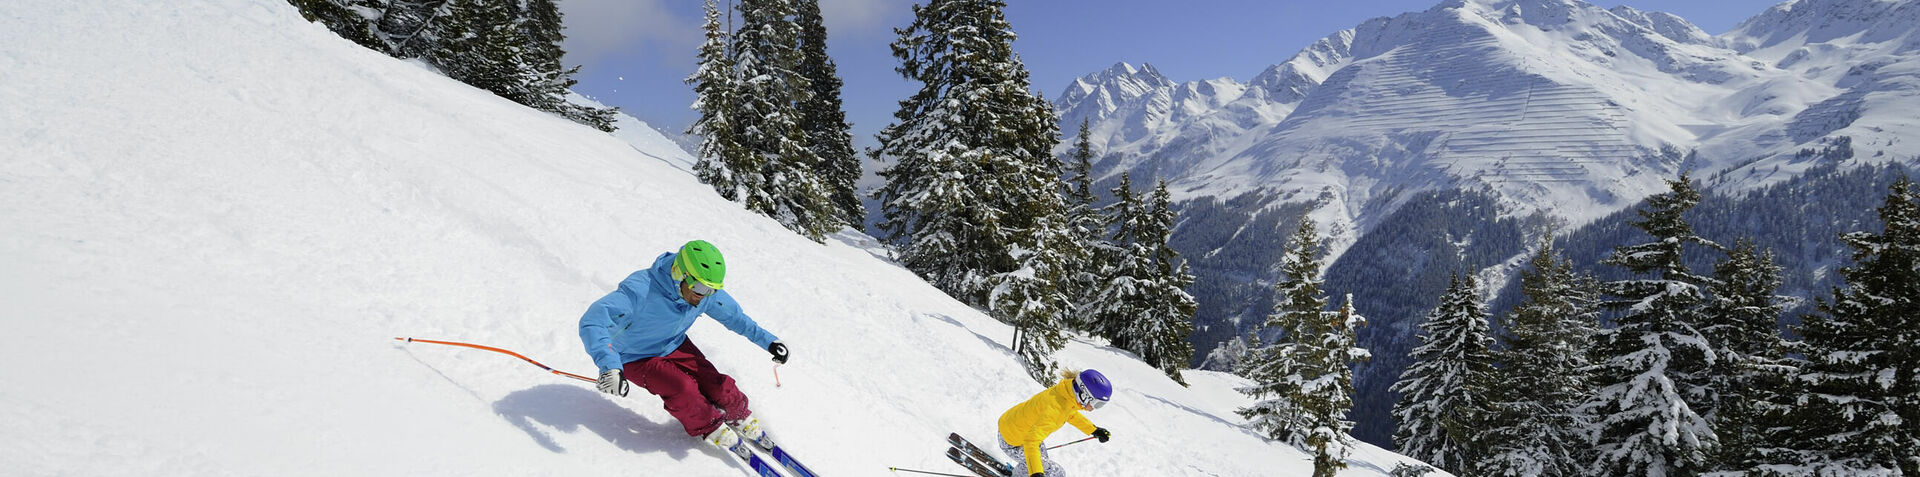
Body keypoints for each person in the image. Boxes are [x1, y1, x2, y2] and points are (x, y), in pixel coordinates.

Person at [578, 239, 790, 450]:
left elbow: (736, 318)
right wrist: (610, 366)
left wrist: (769, 342)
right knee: (683, 387)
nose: (704, 295)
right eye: (699, 287)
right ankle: (708, 424)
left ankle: (737, 414)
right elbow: (593, 321)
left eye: (711, 290)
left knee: (715, 383)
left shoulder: (702, 292)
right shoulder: (641, 290)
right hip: (633, 356)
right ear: (680, 273)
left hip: (674, 344)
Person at [996, 369, 1114, 477]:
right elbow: (1031, 441)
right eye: (1097, 404)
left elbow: (1070, 414)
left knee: (1042, 463)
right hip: (1012, 441)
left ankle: (1019, 474)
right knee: (1056, 473)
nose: (1094, 408)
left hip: (1014, 426)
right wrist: (1036, 473)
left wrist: (1093, 430)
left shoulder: (1065, 395)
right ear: (1084, 395)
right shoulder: (1056, 409)